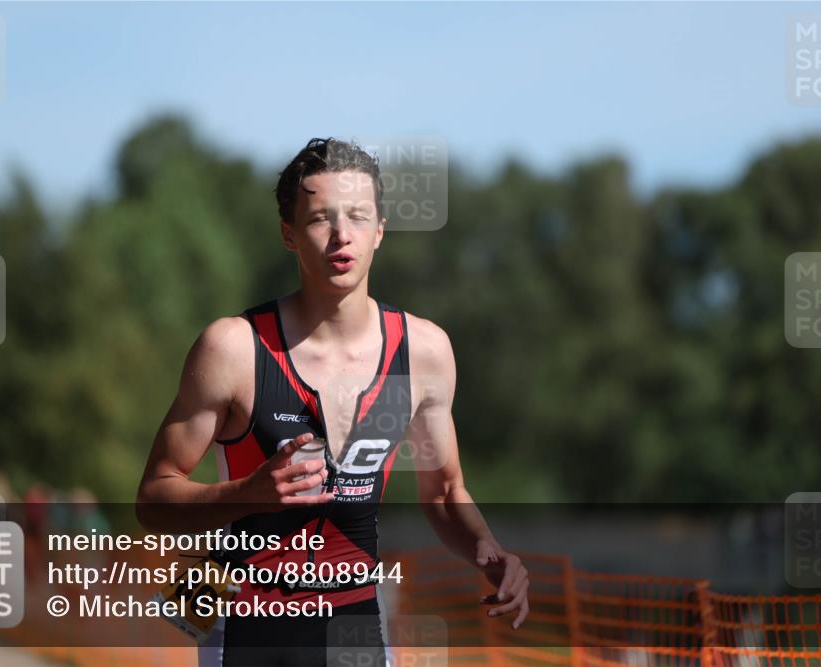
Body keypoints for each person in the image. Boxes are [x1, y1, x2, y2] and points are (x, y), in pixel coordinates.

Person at [137, 138, 529, 666]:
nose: (342, 236)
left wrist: (491, 551)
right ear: (289, 235)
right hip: (246, 631)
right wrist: (247, 493)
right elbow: (153, 501)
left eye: (358, 217)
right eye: (321, 218)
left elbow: (444, 492)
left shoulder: (424, 353)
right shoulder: (233, 348)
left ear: (380, 230)